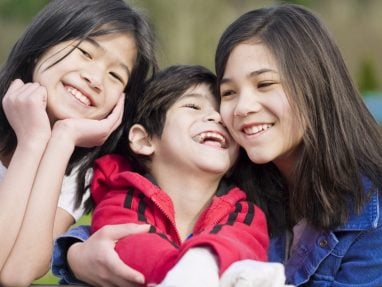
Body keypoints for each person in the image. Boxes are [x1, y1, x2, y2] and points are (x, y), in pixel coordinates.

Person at [215, 3, 382, 286]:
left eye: (264, 84)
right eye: (229, 92)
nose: (242, 107)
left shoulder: (372, 214)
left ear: (314, 84)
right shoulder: (230, 193)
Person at [0, 0, 157, 285]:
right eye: (85, 52)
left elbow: (16, 276)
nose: (95, 79)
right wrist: (33, 141)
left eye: (115, 76)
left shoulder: (80, 169)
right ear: (42, 45)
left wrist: (49, 141)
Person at [79, 64, 272, 286]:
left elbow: (239, 246)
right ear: (144, 140)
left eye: (223, 114)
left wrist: (204, 260)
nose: (216, 117)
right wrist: (187, 271)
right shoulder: (122, 202)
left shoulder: (244, 213)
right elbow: (133, 247)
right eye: (193, 106)